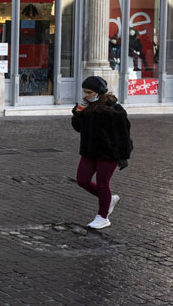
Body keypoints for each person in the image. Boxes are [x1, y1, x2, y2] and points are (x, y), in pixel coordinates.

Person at [71, 76, 132, 230]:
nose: (86, 95)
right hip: (89, 151)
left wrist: (123, 156)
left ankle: (103, 217)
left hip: (108, 152)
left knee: (103, 184)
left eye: (89, 92)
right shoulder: (87, 106)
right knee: (82, 180)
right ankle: (108, 200)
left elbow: (123, 132)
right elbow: (78, 127)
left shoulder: (114, 109)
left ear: (99, 92)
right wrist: (78, 112)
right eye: (84, 91)